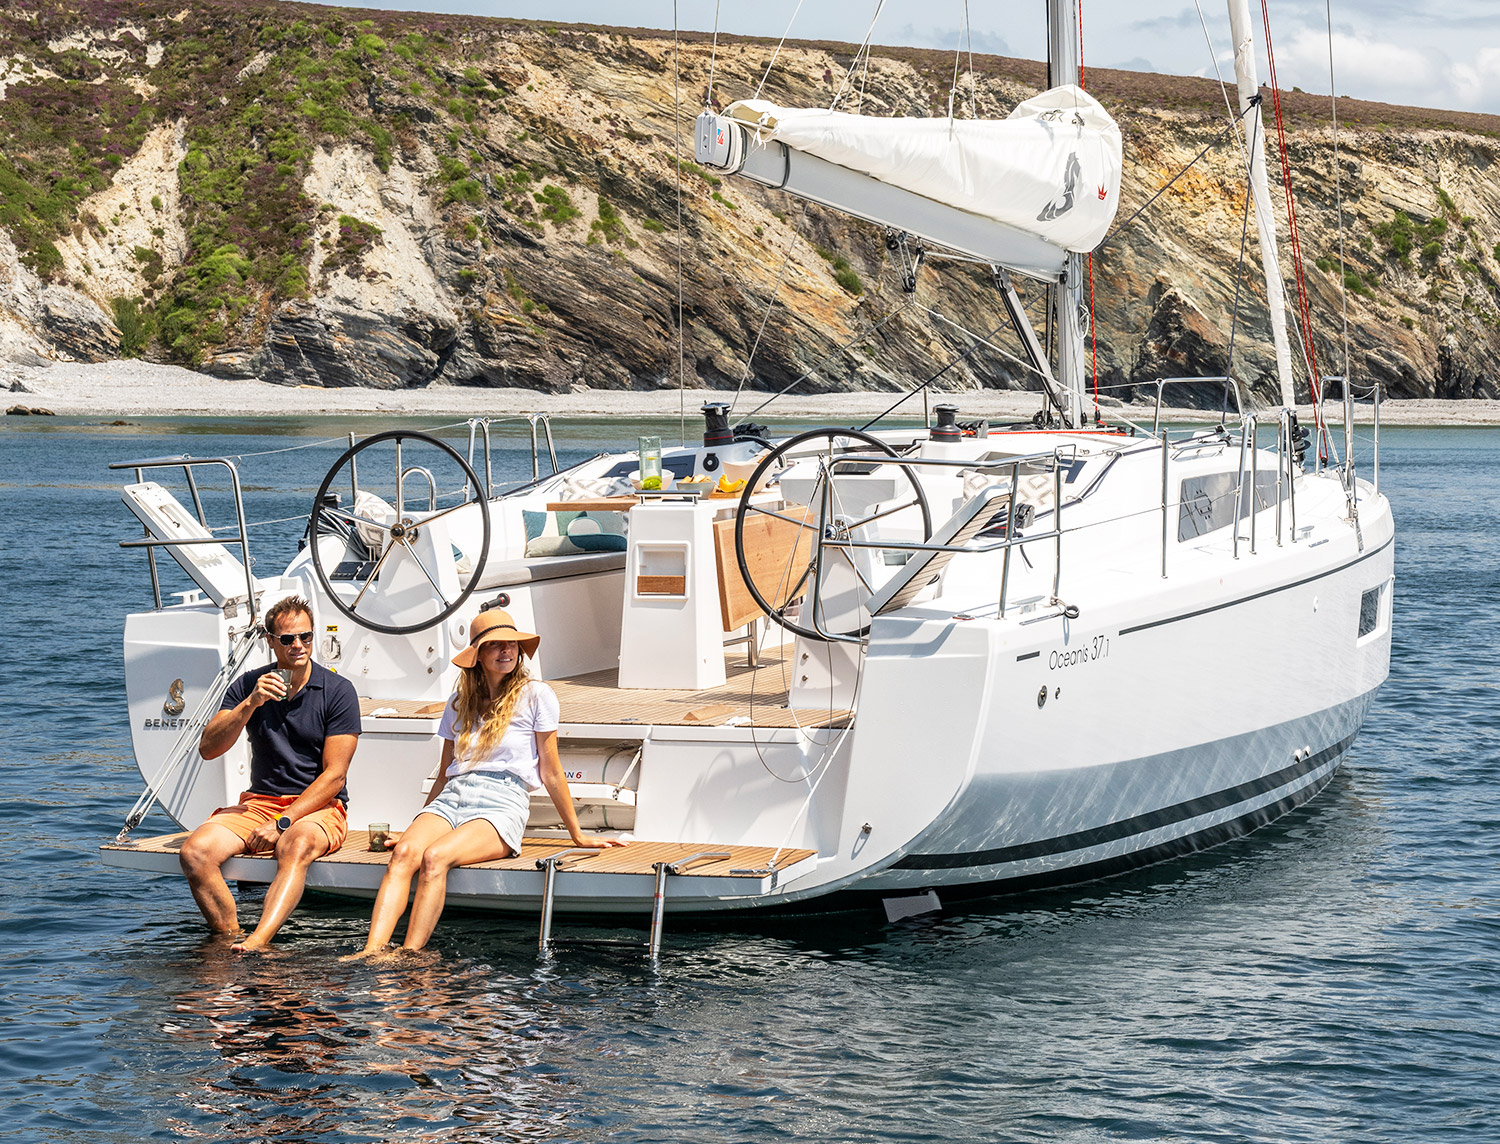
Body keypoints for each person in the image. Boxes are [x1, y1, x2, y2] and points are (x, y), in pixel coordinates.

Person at [346, 609, 624, 959]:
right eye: (495, 645)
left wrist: (577, 834)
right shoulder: (459, 702)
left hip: (501, 802)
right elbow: (445, 771)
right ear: (477, 655)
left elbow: (552, 771)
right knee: (404, 853)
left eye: (512, 644)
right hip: (453, 796)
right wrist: (418, 825)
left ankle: (409, 957)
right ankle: (372, 954)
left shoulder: (536, 695)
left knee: (435, 857)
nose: (506, 650)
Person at [179, 595, 361, 952]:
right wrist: (251, 703)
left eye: (306, 637)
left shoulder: (337, 691)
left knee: (296, 844)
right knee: (194, 853)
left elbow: (335, 777)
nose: (298, 645)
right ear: (270, 641)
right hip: (259, 803)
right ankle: (231, 939)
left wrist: (283, 821)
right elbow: (208, 748)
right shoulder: (249, 684)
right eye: (288, 638)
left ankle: (258, 941)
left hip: (318, 806)